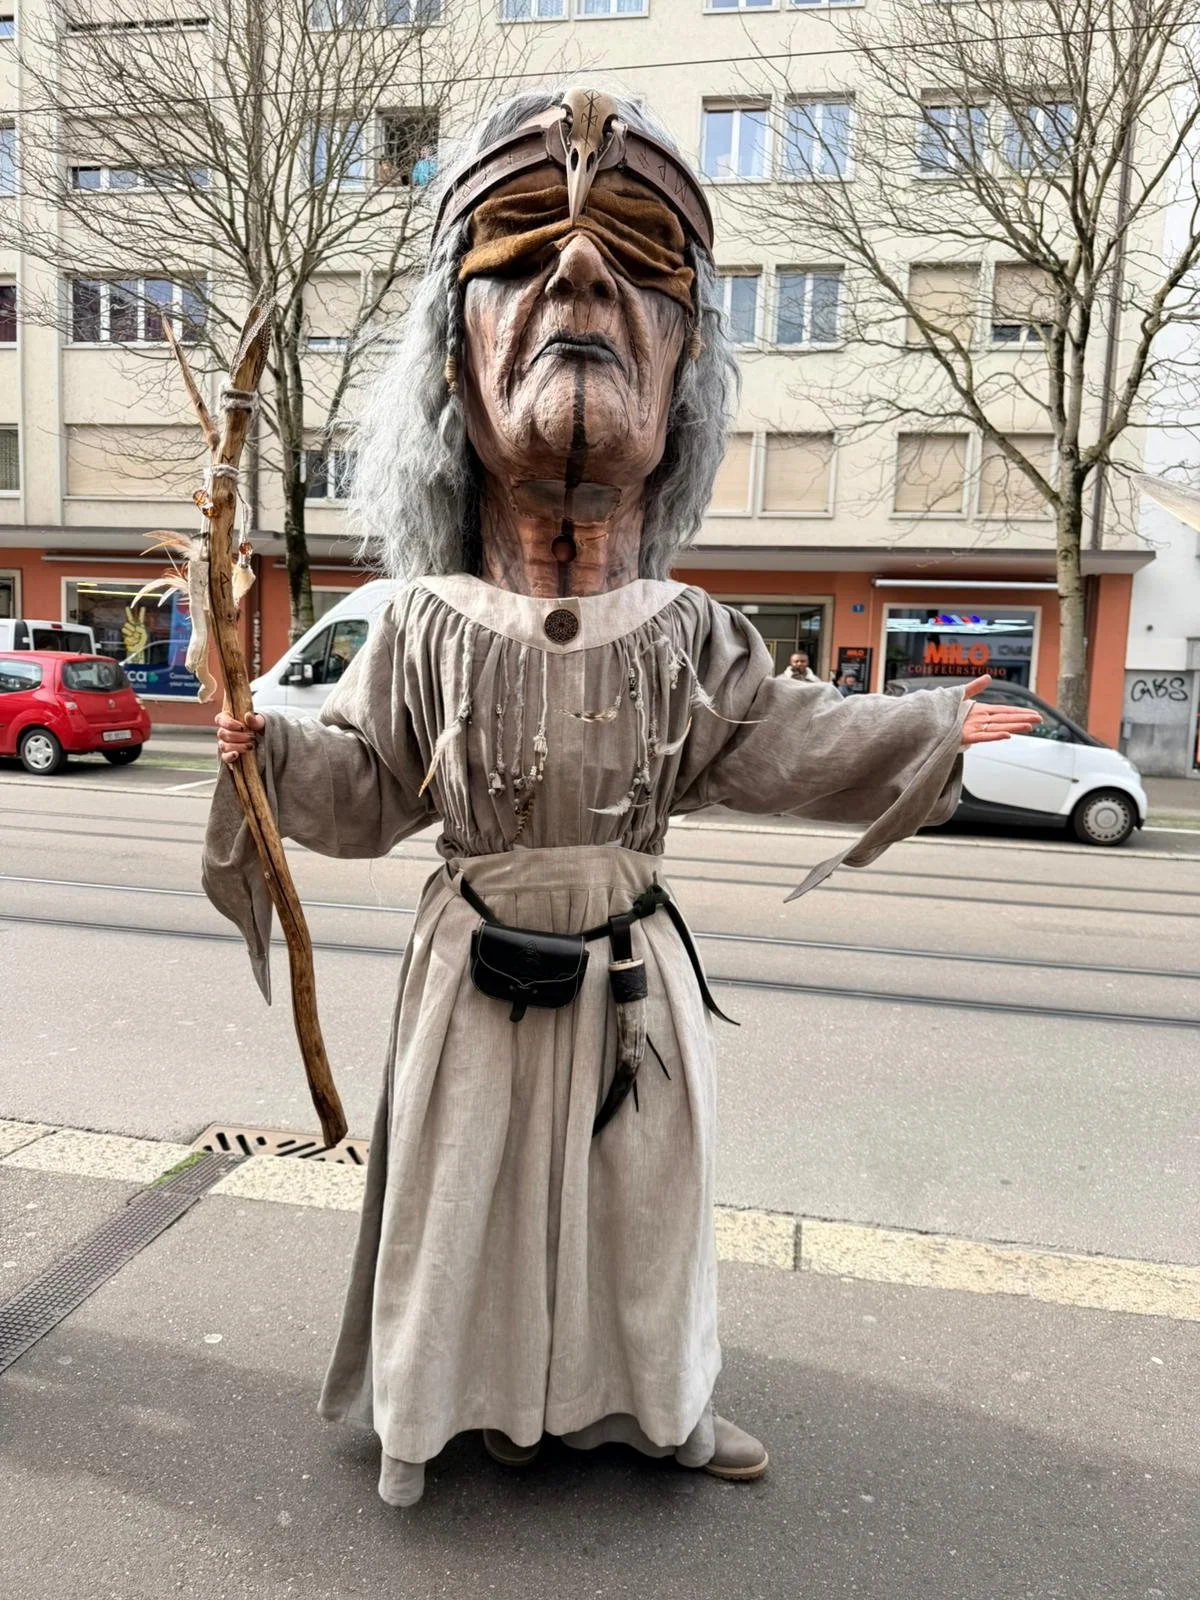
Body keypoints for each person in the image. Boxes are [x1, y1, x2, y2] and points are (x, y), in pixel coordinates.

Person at [208, 88, 1038, 1508]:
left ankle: (657, 1405)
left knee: (640, 1206)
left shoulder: (690, 633)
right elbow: (367, 790)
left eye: (636, 252)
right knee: (462, 1195)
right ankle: (433, 1410)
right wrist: (263, 751)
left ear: (688, 359)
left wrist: (928, 726)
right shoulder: (416, 623)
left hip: (631, 979)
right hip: (472, 972)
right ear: (450, 370)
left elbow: (788, 738)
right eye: (520, 246)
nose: (580, 271)